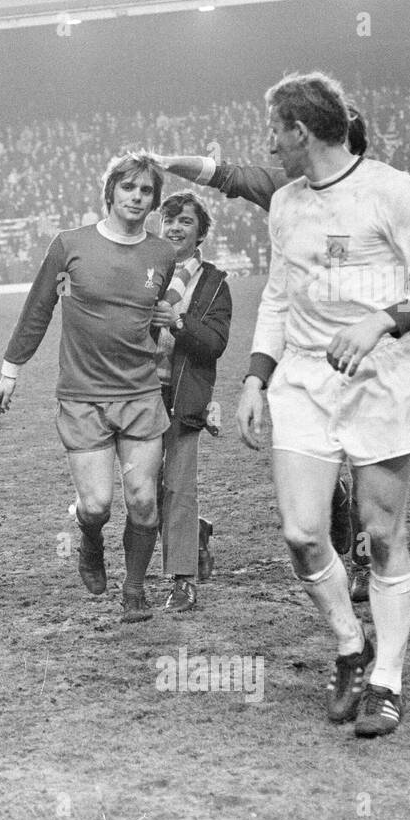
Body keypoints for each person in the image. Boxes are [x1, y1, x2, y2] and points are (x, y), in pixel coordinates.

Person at [235, 72, 410, 737]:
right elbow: (278, 297)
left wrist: (384, 321)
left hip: (380, 379)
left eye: (276, 131)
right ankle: (349, 645)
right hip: (304, 380)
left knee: (383, 534)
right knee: (302, 531)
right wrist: (256, 376)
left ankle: (388, 681)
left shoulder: (390, 190)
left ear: (300, 131)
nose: (271, 144)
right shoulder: (285, 203)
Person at [149, 109, 410, 602]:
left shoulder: (383, 192)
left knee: (366, 465)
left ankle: (362, 562)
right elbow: (224, 173)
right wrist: (166, 161)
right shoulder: (288, 190)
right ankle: (337, 518)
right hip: (307, 352)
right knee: (320, 467)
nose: (283, 151)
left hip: (371, 352)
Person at [0, 151, 188, 624]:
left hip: (141, 392)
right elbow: (39, 306)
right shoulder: (69, 246)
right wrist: (11, 368)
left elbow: (161, 316)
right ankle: (91, 539)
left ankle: (135, 591)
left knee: (143, 501)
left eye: (146, 191)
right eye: (128, 188)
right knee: (98, 505)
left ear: (154, 200)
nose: (137, 198)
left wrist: (170, 319)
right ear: (111, 192)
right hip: (82, 395)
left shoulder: (162, 254)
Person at [153, 192, 232, 611]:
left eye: (185, 221)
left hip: (184, 395)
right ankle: (195, 533)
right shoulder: (146, 270)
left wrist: (179, 323)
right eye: (169, 219)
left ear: (200, 233)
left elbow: (215, 343)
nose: (175, 227)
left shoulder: (215, 282)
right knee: (144, 495)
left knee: (178, 488)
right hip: (140, 394)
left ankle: (182, 581)